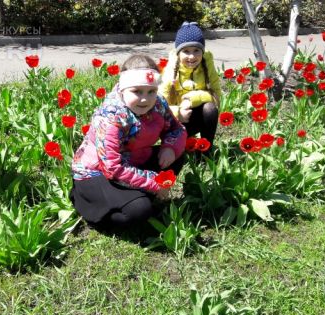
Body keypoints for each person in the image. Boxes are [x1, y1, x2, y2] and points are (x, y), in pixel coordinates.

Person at [70, 54, 187, 230]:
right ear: (123, 88)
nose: (145, 99)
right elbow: (112, 168)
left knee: (177, 155)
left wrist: (169, 148)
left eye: (151, 91)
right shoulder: (110, 116)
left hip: (133, 160)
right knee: (139, 211)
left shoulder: (158, 103)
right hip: (97, 172)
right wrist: (156, 183)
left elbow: (176, 130)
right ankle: (89, 205)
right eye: (136, 91)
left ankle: (137, 194)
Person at [159, 21, 221, 147]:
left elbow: (217, 96)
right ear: (178, 53)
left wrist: (190, 99)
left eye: (196, 50)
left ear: (202, 52)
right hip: (174, 121)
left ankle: (206, 151)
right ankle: (176, 144)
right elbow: (159, 105)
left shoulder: (207, 65)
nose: (192, 56)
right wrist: (178, 112)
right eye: (186, 51)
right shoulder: (171, 71)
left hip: (195, 117)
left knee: (210, 109)